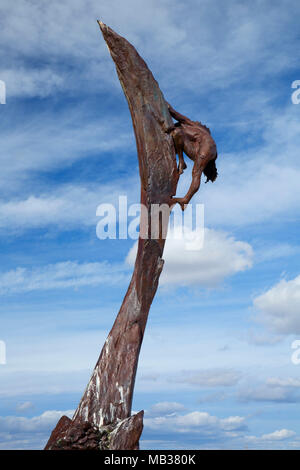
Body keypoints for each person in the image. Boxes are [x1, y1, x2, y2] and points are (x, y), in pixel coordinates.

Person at [166, 102, 218, 210]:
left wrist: (167, 107)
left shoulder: (186, 125)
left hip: (207, 147)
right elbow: (174, 114)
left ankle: (186, 200)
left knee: (196, 173)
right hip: (204, 148)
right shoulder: (189, 129)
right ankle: (182, 162)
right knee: (177, 134)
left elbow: (175, 113)